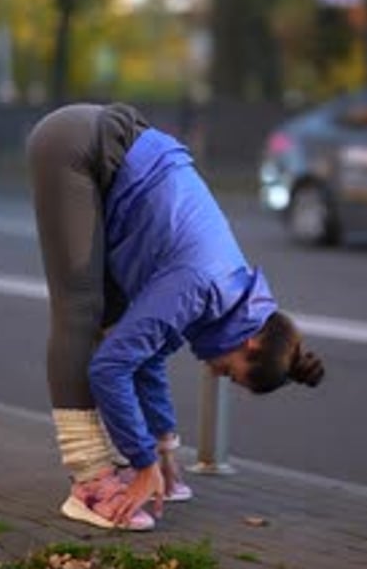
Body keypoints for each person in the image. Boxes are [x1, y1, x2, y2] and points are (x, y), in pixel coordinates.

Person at [26, 103, 325, 532]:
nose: (217, 372)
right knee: (81, 312)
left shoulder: (228, 295)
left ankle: (115, 468)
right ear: (252, 343)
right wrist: (143, 463)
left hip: (111, 152)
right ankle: (89, 482)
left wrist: (163, 446)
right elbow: (111, 368)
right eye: (231, 374)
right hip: (78, 146)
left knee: (116, 323)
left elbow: (147, 354)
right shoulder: (202, 286)